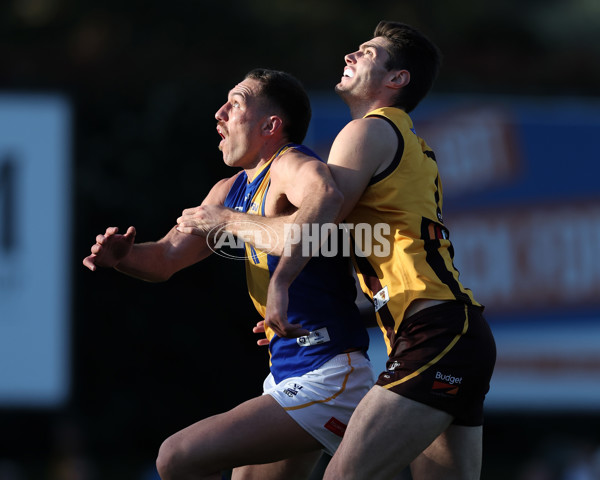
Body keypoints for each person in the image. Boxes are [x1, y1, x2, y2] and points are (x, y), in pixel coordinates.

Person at [179, 21, 497, 480]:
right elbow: (371, 246)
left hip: (435, 335)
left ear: (397, 79)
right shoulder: (406, 142)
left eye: (367, 52)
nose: (350, 56)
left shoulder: (365, 131)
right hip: (448, 331)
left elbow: (314, 225)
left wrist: (250, 249)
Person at [82, 68, 374, 480]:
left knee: (175, 457)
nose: (219, 113)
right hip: (289, 369)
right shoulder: (228, 189)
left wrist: (238, 232)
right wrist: (122, 258)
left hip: (330, 374)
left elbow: (326, 197)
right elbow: (165, 258)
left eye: (235, 103)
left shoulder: (288, 164)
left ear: (270, 125)